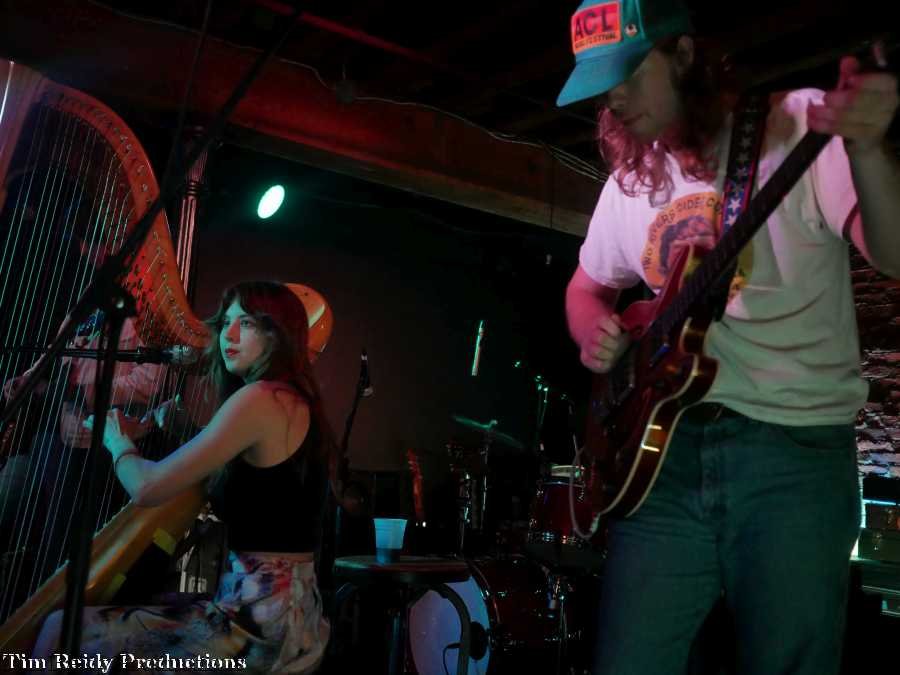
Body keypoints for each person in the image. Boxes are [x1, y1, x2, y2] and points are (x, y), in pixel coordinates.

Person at [559, 1, 900, 674]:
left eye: (630, 73)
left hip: (793, 454)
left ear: (685, 55)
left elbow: (892, 254)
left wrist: (866, 148)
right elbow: (583, 288)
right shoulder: (629, 181)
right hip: (662, 462)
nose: (614, 97)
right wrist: (591, 327)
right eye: (603, 83)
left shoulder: (796, 123)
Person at [31, 281, 334, 673]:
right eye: (226, 322)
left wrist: (115, 438)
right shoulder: (287, 400)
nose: (228, 334)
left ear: (278, 335)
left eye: (246, 323)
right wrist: (162, 427)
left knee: (62, 631)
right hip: (285, 614)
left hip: (258, 626)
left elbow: (147, 487)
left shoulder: (262, 398)